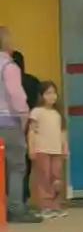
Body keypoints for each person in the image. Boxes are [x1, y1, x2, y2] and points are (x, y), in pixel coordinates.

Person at [0, 27, 42, 223]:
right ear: (6, 44)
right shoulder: (9, 67)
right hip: (8, 123)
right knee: (16, 166)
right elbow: (17, 96)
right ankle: (15, 208)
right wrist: (24, 118)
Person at [28, 81, 69, 219]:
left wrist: (65, 147)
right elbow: (31, 131)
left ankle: (55, 205)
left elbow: (63, 132)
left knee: (56, 178)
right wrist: (32, 148)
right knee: (43, 177)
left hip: (56, 150)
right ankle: (45, 207)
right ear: (41, 96)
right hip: (42, 149)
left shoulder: (58, 113)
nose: (52, 96)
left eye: (54, 93)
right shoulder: (36, 112)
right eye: (48, 93)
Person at [12, 50, 40, 204]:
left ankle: (13, 198)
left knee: (11, 165)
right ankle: (23, 194)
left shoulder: (6, 82)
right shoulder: (33, 81)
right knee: (25, 163)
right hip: (30, 124)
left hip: (10, 125)